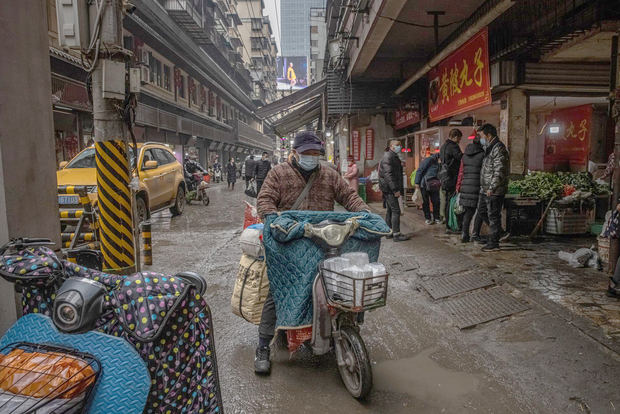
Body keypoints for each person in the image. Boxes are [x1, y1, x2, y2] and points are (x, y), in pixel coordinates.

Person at [254, 131, 370, 375]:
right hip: (291, 242)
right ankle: (263, 346)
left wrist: (365, 214)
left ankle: (341, 327)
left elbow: (349, 197)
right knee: (279, 292)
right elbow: (264, 201)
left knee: (341, 283)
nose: (311, 157)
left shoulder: (329, 174)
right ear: (295, 152)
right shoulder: (279, 173)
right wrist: (274, 219)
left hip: (324, 241)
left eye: (315, 154)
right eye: (307, 153)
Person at [478, 123, 509, 252]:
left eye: (481, 136)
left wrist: (492, 187)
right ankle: (498, 233)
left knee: (493, 215)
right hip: (485, 189)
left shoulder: (498, 148)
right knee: (482, 211)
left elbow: (499, 170)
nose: (481, 139)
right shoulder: (489, 147)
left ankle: (494, 242)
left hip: (494, 190)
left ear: (488, 135)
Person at [456, 134, 485, 243]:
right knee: (481, 211)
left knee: (468, 212)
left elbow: (461, 172)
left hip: (465, 186)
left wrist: (458, 186)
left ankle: (464, 234)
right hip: (477, 186)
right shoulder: (483, 155)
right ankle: (475, 234)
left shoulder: (464, 156)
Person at [379, 140, 410, 242]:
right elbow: (389, 175)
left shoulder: (392, 156)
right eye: (397, 145)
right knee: (396, 210)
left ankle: (389, 232)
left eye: (400, 145)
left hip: (388, 188)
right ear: (391, 146)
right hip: (390, 189)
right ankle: (396, 234)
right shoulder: (388, 157)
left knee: (390, 210)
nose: (399, 147)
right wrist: (395, 189)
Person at [439, 129, 463, 233]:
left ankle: (447, 224)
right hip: (452, 177)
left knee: (447, 201)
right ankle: (451, 225)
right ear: (456, 137)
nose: (459, 141)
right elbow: (460, 157)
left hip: (444, 177)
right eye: (459, 138)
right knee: (451, 201)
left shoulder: (443, 146)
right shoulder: (454, 146)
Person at [415, 153, 441, 225]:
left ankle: (436, 218)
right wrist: (417, 183)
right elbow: (420, 170)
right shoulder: (429, 160)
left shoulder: (438, 163)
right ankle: (428, 218)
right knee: (425, 202)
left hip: (434, 184)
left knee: (436, 201)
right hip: (424, 185)